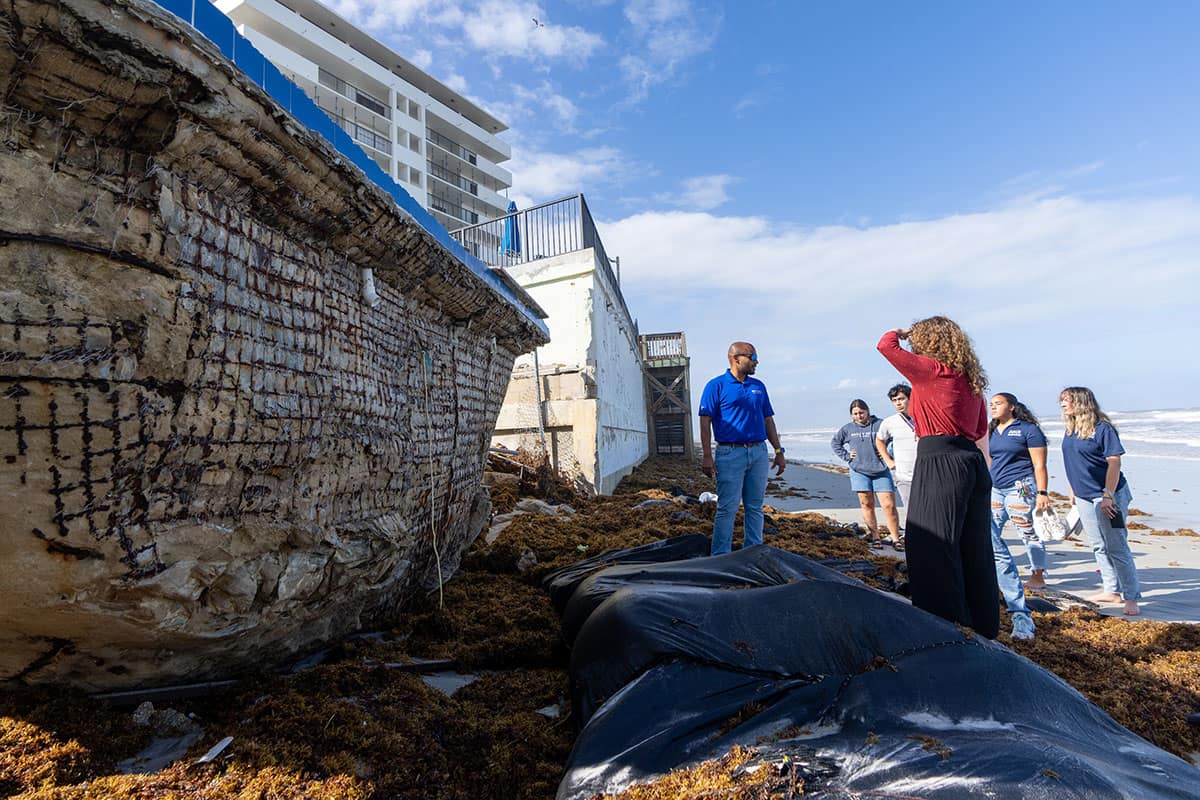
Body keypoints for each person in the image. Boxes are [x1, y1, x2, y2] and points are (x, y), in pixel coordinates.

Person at [877, 317, 1000, 639]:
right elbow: (978, 430)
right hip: (970, 461)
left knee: (932, 543)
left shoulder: (933, 370)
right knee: (973, 548)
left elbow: (885, 346)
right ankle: (982, 623)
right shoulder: (971, 382)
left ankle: (944, 625)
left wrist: (901, 332)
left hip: (940, 460)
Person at [699, 342, 787, 555]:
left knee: (755, 507)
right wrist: (707, 456)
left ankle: (753, 552)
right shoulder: (716, 386)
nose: (756, 361)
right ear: (736, 358)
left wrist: (778, 451)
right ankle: (720, 555)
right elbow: (705, 421)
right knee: (727, 508)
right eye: (753, 356)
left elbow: (768, 420)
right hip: (730, 453)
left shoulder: (758, 386)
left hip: (758, 452)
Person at [1060, 387, 1141, 616]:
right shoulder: (1071, 429)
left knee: (1116, 545)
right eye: (1062, 401)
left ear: (1081, 401)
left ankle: (1131, 597)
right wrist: (1073, 489)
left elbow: (1114, 462)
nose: (1063, 404)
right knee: (1098, 545)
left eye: (1066, 400)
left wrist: (1108, 495)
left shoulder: (1103, 429)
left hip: (1110, 495)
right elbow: (1073, 461)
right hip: (1084, 497)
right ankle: (1111, 590)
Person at [986, 392, 1047, 640]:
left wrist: (1042, 492)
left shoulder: (1027, 430)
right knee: (992, 533)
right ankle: (997, 574)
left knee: (1025, 528)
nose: (993, 407)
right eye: (991, 404)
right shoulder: (992, 430)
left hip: (1021, 485)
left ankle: (1037, 573)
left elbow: (1040, 464)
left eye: (998, 403)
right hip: (996, 486)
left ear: (1012, 406)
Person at [832, 400, 901, 550]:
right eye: (855, 414)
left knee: (889, 505)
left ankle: (896, 538)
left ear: (868, 411)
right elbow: (835, 443)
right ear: (852, 415)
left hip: (881, 470)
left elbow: (896, 439)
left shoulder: (880, 424)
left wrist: (889, 455)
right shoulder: (848, 429)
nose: (859, 416)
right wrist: (847, 456)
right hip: (859, 471)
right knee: (867, 504)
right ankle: (875, 536)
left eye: (861, 412)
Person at [875, 383, 918, 510]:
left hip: (926, 473)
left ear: (911, 398)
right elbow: (879, 440)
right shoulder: (889, 422)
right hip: (904, 475)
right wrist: (888, 460)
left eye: (901, 399)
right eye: (894, 400)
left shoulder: (923, 417)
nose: (898, 403)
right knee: (911, 512)